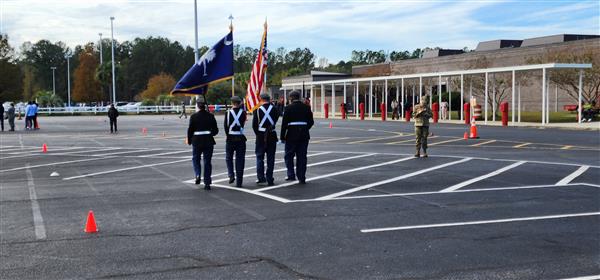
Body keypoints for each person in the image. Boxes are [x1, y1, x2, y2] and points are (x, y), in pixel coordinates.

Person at [280, 90, 314, 184]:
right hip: (304, 135)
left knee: (289, 155)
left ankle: (291, 174)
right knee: (302, 157)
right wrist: (304, 128)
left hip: (291, 134)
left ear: (291, 98)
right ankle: (301, 177)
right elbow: (311, 122)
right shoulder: (306, 107)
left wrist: (282, 137)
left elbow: (284, 124)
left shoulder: (288, 108)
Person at [187, 96, 219, 190]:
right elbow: (216, 130)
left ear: (197, 105)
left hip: (196, 140)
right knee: (207, 162)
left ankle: (197, 174)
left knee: (196, 159)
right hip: (208, 141)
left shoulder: (193, 116)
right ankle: (207, 182)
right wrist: (210, 133)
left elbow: (190, 130)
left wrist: (189, 140)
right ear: (205, 105)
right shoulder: (211, 116)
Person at [252, 93, 280, 186]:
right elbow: (275, 119)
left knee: (260, 157)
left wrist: (259, 134)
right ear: (269, 99)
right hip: (272, 134)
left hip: (261, 135)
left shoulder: (257, 110)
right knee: (271, 158)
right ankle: (270, 178)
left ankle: (261, 178)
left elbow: (254, 125)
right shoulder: (275, 109)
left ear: (261, 99)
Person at [224, 96, 247, 188]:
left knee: (229, 157)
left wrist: (228, 134)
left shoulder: (228, 113)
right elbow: (242, 124)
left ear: (232, 103)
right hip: (240, 137)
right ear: (239, 103)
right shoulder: (243, 113)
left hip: (230, 137)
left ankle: (231, 174)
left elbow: (226, 126)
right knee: (240, 159)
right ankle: (239, 181)